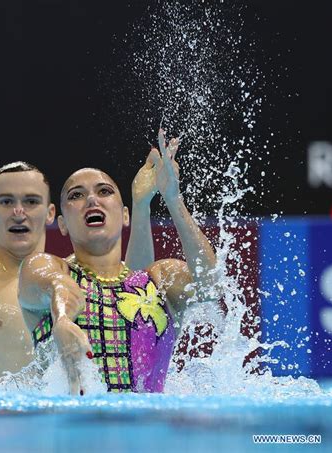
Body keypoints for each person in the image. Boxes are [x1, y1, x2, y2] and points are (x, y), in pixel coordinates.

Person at [0, 160, 157, 390]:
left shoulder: (72, 279)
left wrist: (142, 205)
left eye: (31, 201)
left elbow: (135, 291)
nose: (18, 212)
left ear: (51, 213)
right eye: (6, 202)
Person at [18, 130, 217, 395]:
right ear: (62, 224)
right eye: (76, 195)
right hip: (72, 431)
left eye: (104, 191)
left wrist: (172, 199)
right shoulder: (48, 267)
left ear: (125, 215)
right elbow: (58, 286)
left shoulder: (159, 280)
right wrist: (63, 319)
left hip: (150, 431)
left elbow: (209, 285)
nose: (91, 199)